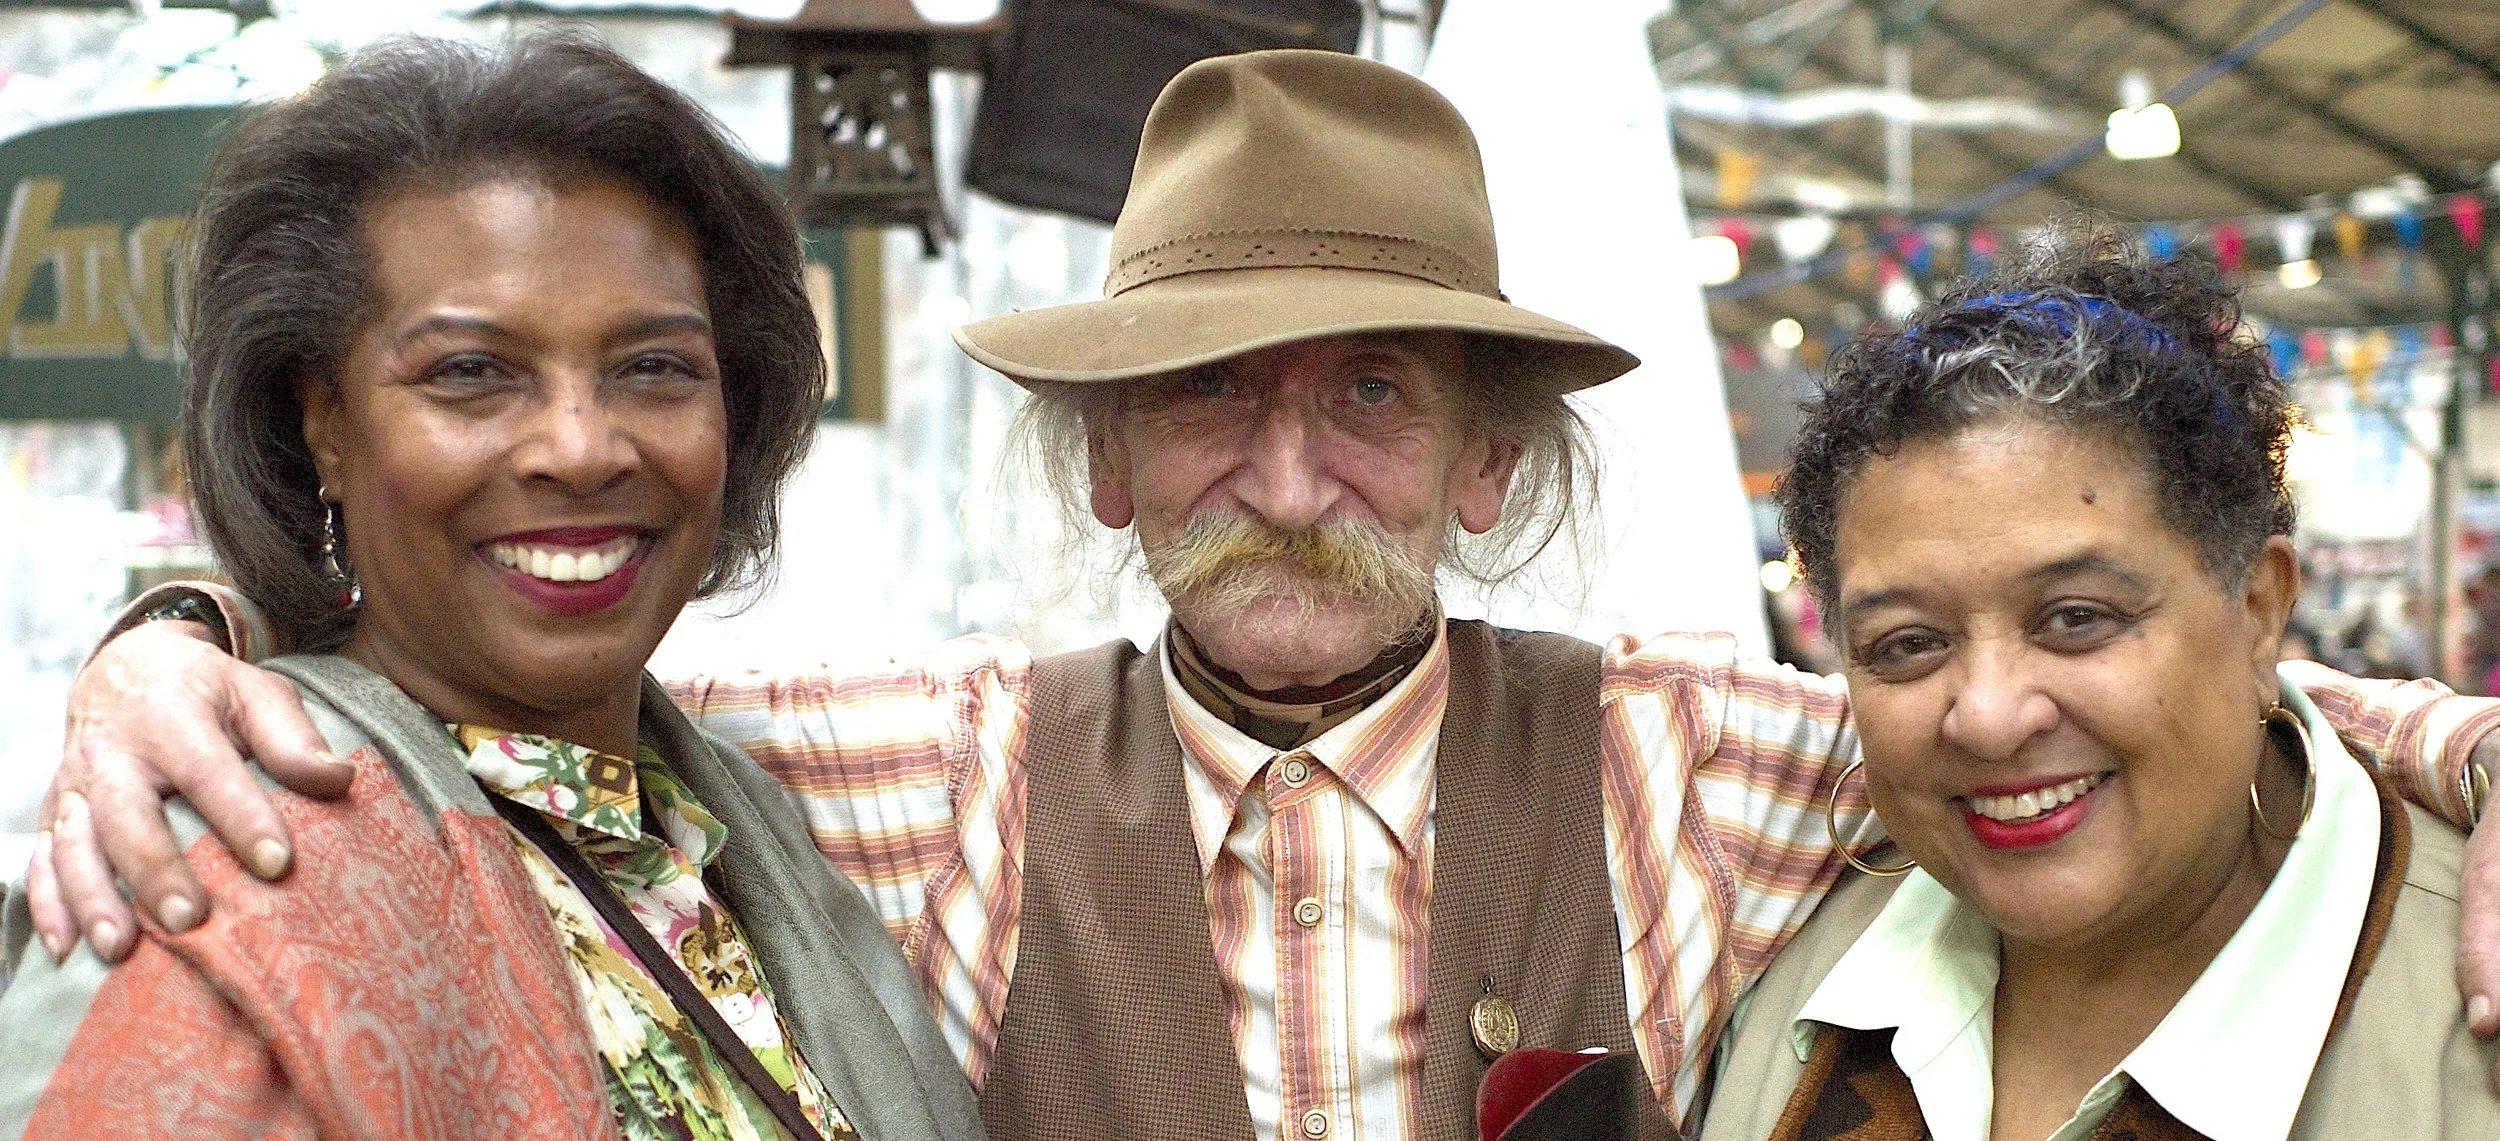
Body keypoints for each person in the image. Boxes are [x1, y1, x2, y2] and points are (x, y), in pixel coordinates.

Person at [26, 49, 2500, 1140]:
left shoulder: (1700, 759)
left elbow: (2099, 702)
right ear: (1106, 462)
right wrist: (190, 643)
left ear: (1487, 459)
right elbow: (524, 699)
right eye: (1208, 397)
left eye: (1372, 400)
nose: (1288, 478)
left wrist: (2468, 747)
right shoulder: (905, 777)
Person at [0, 31, 981, 1141]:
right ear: (322, 421)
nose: (581, 446)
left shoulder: (733, 817)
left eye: (654, 367)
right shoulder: (208, 870)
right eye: (471, 372)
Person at [1700, 235, 2500, 1139]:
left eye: (2076, 617)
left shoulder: (2461, 1016)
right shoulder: (1776, 956)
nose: (1990, 716)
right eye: (1909, 643)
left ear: (2258, 608)